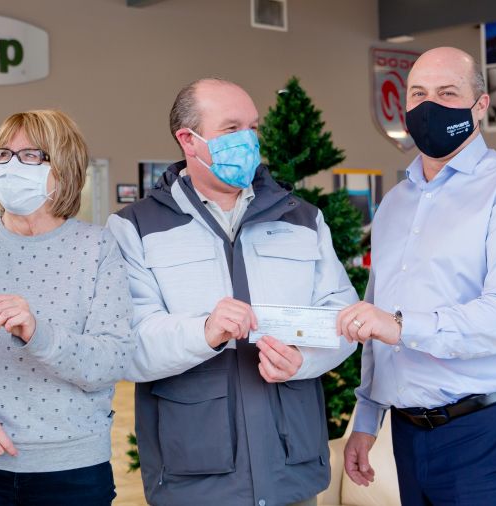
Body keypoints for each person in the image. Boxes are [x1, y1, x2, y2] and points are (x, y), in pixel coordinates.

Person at [107, 78, 358, 506]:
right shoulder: (136, 228)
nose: (248, 140)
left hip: (290, 470)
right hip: (196, 475)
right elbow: (129, 345)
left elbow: (342, 316)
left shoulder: (302, 219)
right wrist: (204, 331)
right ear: (188, 139)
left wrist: (304, 359)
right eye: (230, 129)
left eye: (253, 127)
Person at [340, 47, 496, 506]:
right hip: (409, 431)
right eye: (418, 93)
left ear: (479, 106)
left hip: (491, 430)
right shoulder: (396, 204)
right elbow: (377, 309)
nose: (430, 106)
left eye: (448, 93)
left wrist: (402, 326)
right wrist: (367, 417)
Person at [0, 110, 135, 506]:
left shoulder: (98, 249)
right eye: (2, 155)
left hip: (72, 470)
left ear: (64, 167)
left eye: (31, 155)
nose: (11, 166)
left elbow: (112, 361)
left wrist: (37, 333)